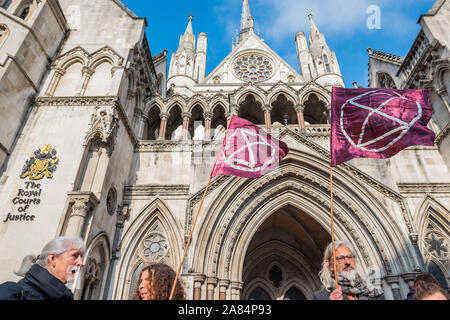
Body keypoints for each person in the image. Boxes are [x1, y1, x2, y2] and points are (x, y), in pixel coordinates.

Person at [0, 236, 85, 300]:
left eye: (81, 258)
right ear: (53, 259)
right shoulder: (11, 292)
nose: (81, 263)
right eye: (75, 255)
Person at [313, 241, 384, 300]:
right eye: (340, 258)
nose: (347, 262)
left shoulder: (373, 292)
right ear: (330, 265)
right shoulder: (321, 297)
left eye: (350, 257)